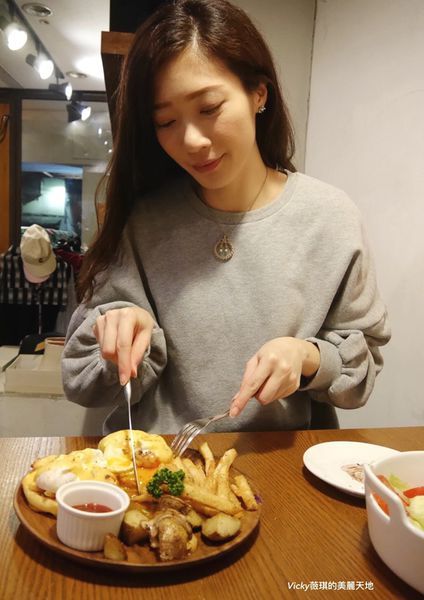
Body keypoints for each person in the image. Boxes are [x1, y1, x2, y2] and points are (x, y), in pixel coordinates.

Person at [62, 0, 390, 434]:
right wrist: (125, 336)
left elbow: (362, 370)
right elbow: (82, 381)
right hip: (159, 463)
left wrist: (308, 358)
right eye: (165, 122)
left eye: (209, 108)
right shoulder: (144, 222)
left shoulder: (330, 218)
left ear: (258, 94)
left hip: (282, 464)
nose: (191, 141)